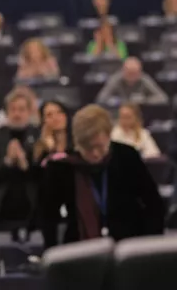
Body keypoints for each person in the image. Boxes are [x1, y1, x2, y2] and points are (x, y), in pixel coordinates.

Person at [39, 105, 164, 249]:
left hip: (128, 244)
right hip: (80, 248)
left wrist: (149, 245)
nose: (95, 154)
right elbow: (48, 216)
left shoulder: (126, 156)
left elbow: (154, 204)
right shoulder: (62, 166)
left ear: (109, 136)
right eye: (88, 148)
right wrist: (52, 251)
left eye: (100, 146)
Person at [0, 88, 41, 234]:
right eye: (13, 109)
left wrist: (24, 164)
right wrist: (7, 162)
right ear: (6, 113)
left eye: (21, 109)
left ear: (29, 112)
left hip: (33, 212)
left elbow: (42, 174)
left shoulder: (38, 135)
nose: (17, 114)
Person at [95, 58, 168, 105]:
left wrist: (145, 100)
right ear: (123, 71)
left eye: (135, 74)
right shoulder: (116, 79)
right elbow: (101, 98)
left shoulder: (144, 79)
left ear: (140, 72)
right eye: (129, 73)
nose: (132, 77)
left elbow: (162, 98)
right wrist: (119, 101)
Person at [33, 100, 72, 165]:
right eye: (49, 115)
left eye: (59, 112)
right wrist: (49, 147)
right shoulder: (39, 148)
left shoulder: (78, 143)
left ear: (66, 115)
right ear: (43, 121)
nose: (55, 118)